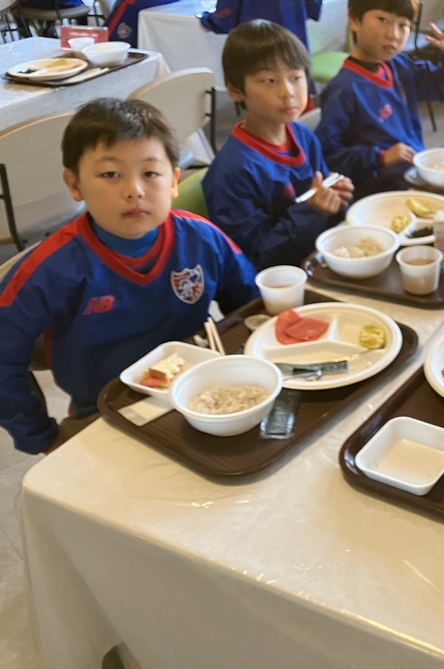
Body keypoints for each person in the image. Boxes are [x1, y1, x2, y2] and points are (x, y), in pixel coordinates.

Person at [0, 99, 260, 456]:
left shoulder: (202, 238)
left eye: (150, 173)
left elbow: (250, 306)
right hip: (103, 414)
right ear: (74, 184)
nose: (134, 190)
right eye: (110, 174)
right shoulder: (50, 270)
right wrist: (40, 436)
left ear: (174, 180)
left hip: (201, 392)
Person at [203, 20, 354, 270]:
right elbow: (256, 258)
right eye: (270, 80)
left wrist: (335, 198)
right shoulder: (231, 172)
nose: (288, 92)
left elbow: (321, 196)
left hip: (318, 260)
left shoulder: (303, 136)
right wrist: (313, 210)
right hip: (279, 281)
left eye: (296, 77)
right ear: (235, 90)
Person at [316, 0, 444, 199]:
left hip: (413, 177)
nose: (393, 35)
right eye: (383, 20)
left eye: (403, 25)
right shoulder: (344, 88)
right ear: (354, 19)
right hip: (379, 193)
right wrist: (380, 157)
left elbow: (442, 86)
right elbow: (327, 156)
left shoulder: (399, 66)